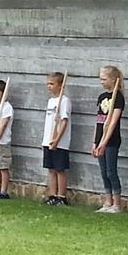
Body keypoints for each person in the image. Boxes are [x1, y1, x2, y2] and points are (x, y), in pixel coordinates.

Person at [93, 65, 125, 213]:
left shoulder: (118, 97)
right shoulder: (102, 97)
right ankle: (107, 201)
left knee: (111, 171)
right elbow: (99, 121)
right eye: (100, 79)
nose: (102, 82)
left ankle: (117, 204)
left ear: (113, 80)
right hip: (100, 139)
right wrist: (95, 142)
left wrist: (104, 142)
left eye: (104, 79)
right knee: (103, 172)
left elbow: (112, 123)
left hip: (111, 141)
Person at [42, 72, 72, 206]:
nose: (49, 86)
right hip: (48, 140)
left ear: (60, 85)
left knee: (60, 169)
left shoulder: (64, 101)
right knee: (51, 169)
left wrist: (57, 139)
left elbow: (64, 122)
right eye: (48, 84)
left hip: (60, 143)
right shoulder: (51, 101)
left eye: (52, 84)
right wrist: (46, 140)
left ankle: (61, 196)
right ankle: (52, 195)